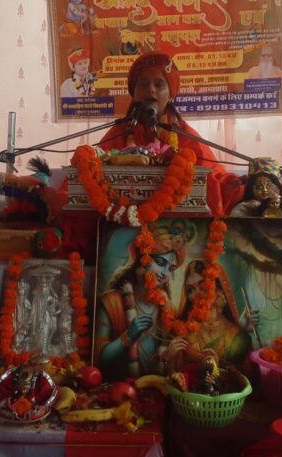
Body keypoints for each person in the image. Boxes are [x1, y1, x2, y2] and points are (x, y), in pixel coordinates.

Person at [96, 51, 242, 216]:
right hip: (120, 219)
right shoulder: (118, 133)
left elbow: (214, 178)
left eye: (159, 85)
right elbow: (90, 173)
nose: (151, 90)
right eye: (143, 84)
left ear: (170, 94)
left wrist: (243, 186)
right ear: (134, 94)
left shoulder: (185, 135)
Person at [94, 221, 190, 380]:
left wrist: (169, 356)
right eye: (160, 263)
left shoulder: (167, 308)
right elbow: (98, 359)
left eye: (171, 268)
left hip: (156, 387)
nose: (164, 273)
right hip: (119, 386)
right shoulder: (111, 302)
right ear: (143, 259)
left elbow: (172, 367)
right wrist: (128, 337)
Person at [166, 260, 254, 368]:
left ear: (220, 290)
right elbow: (171, 375)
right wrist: (167, 358)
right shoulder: (182, 332)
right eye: (190, 290)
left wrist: (217, 371)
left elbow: (246, 377)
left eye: (203, 286)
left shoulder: (238, 338)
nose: (196, 294)